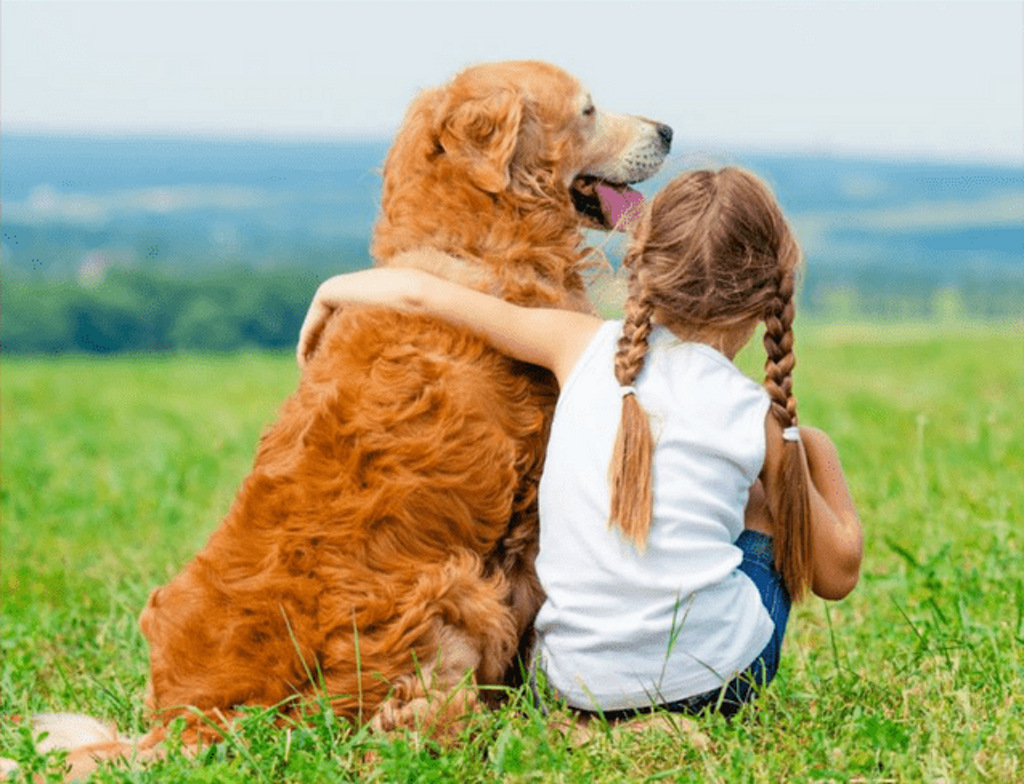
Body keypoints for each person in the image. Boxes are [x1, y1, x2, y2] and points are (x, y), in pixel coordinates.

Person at [296, 167, 863, 719]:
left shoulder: (576, 344)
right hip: (713, 687)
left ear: (641, 267)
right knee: (762, 501)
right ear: (770, 293)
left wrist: (330, 292)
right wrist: (812, 447)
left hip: (566, 683)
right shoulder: (754, 415)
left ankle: (596, 722)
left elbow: (422, 295)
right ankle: (673, 703)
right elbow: (837, 574)